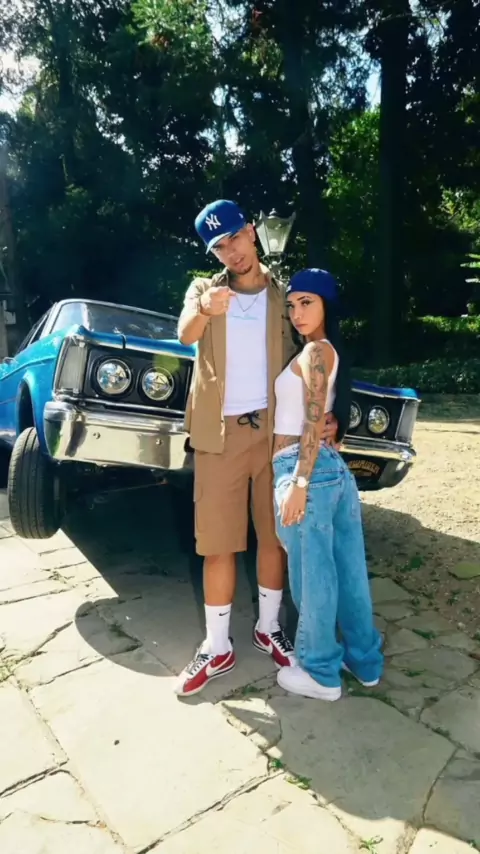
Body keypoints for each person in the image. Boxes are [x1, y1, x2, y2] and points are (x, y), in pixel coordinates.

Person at [174, 201, 345, 697]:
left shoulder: (283, 295)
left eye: (235, 237)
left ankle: (268, 629)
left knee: (275, 538)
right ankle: (217, 646)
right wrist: (205, 309)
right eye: (219, 246)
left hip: (276, 435)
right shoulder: (204, 289)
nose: (231, 252)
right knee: (217, 543)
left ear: (251, 231)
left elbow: (320, 349)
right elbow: (184, 333)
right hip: (219, 436)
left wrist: (336, 412)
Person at [272, 268, 384, 700]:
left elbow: (313, 417)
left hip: (306, 470)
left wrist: (298, 481)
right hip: (332, 471)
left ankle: (320, 671)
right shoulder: (327, 350)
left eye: (307, 303)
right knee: (349, 571)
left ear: (326, 307)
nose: (297, 313)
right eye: (292, 304)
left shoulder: (316, 351)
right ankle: (365, 661)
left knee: (313, 575)